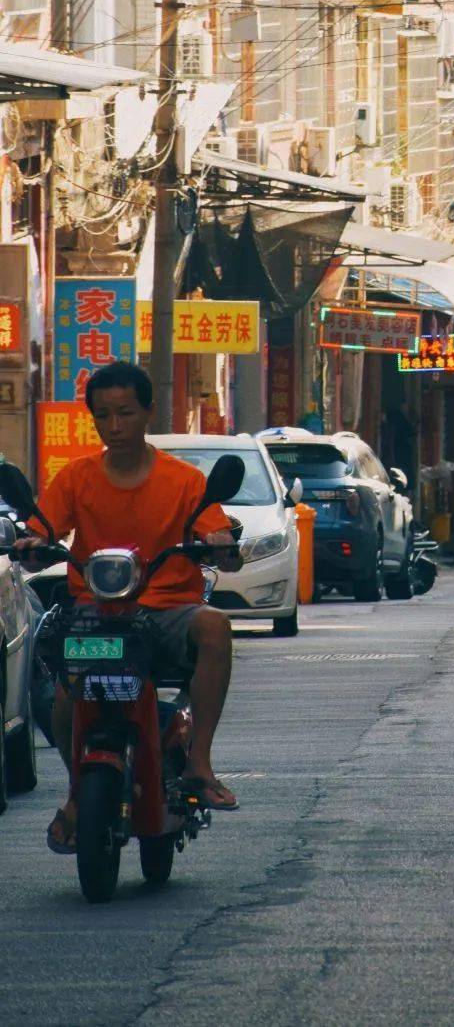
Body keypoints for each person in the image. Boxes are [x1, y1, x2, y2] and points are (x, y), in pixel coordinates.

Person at [18, 361, 242, 854]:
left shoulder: (184, 482)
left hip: (166, 614)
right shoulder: (76, 478)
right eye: (103, 415)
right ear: (92, 419)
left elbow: (214, 529)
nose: (115, 427)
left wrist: (221, 543)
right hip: (95, 614)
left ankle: (200, 762)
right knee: (62, 697)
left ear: (147, 412)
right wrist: (31, 542)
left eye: (125, 413)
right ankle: (78, 791)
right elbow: (43, 528)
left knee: (215, 626)